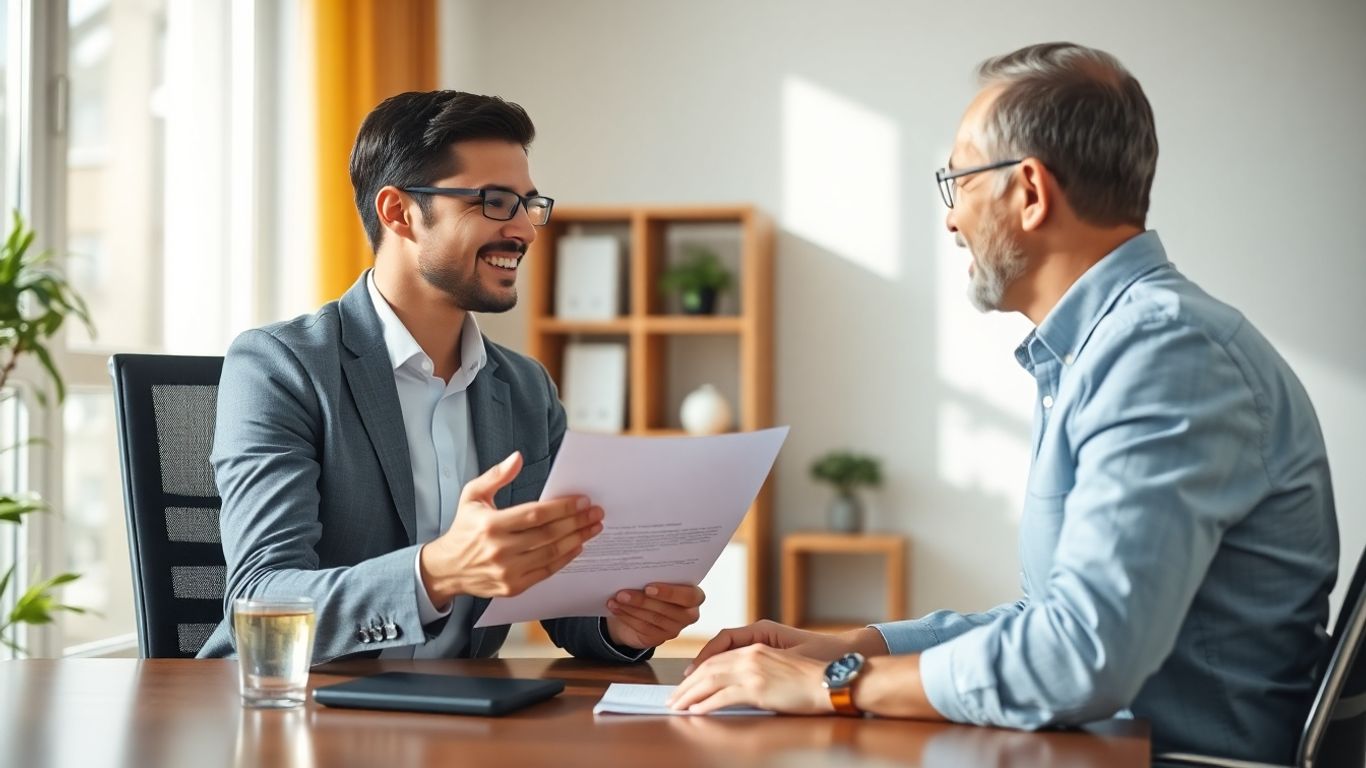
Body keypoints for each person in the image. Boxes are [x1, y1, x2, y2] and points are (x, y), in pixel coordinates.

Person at [670, 42, 1338, 763]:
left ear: (1029, 191)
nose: (951, 220)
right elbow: (1047, 619)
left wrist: (839, 682)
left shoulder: (1164, 354)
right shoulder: (1108, 350)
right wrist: (856, 644)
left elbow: (1078, 658)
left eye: (956, 179)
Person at [199, 90, 704, 663]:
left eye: (529, 204)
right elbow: (259, 601)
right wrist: (436, 571)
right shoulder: (281, 366)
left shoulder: (525, 388)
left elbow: (562, 597)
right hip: (304, 714)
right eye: (494, 201)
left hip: (463, 720)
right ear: (399, 212)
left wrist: (622, 626)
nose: (526, 230)